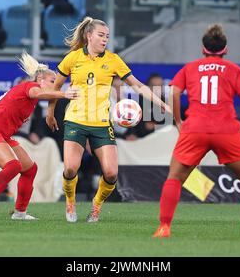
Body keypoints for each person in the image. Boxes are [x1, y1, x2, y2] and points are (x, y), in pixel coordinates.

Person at [46, 16, 171, 223]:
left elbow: (137, 85)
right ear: (89, 36)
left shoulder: (113, 60)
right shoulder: (73, 58)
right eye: (101, 35)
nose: (105, 40)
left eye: (107, 36)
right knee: (70, 168)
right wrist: (50, 113)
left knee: (112, 174)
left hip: (102, 124)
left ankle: (95, 208)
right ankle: (70, 202)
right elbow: (55, 88)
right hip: (76, 120)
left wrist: (161, 104)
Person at [153, 24, 240, 239]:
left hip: (195, 129)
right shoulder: (234, 69)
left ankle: (164, 227)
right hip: (227, 130)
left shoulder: (190, 68)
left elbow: (174, 93)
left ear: (203, 49)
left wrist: (178, 121)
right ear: (226, 50)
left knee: (174, 178)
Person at [0, 52, 78, 221]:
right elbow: (38, 94)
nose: (55, 85)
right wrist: (64, 94)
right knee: (13, 165)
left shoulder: (29, 95)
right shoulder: (30, 88)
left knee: (29, 169)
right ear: (40, 81)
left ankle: (20, 213)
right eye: (52, 81)